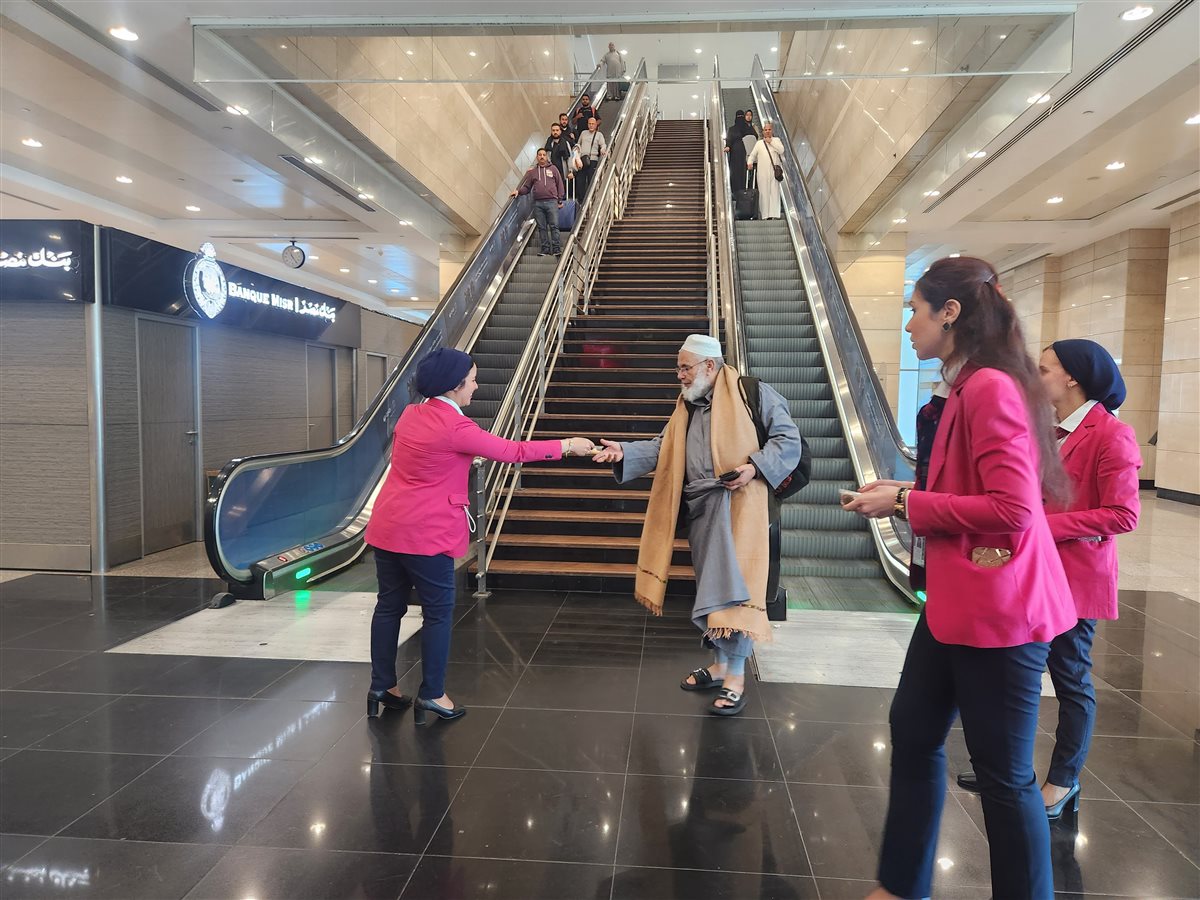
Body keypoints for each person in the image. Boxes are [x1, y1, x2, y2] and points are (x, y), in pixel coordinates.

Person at [847, 256, 1076, 900]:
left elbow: (1013, 510)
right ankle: (901, 884)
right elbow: (971, 484)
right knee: (914, 730)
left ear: (950, 313)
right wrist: (905, 489)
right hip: (957, 602)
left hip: (999, 613)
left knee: (1004, 776)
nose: (908, 324)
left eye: (915, 310)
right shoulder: (969, 383)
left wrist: (905, 503)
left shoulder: (990, 387)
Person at [956, 339, 1141, 818]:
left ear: (1073, 377)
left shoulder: (1111, 434)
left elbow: (1122, 514)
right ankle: (1006, 770)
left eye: (1043, 369)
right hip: (1029, 572)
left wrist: (1043, 526)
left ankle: (1063, 781)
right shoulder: (1044, 427)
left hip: (1075, 579)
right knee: (1013, 674)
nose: (1034, 378)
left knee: (1070, 678)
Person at [364, 347, 595, 724]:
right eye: (472, 380)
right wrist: (567, 446)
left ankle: (381, 687)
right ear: (454, 385)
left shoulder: (411, 414)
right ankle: (433, 694)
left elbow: (430, 459)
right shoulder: (456, 428)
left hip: (388, 527)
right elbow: (513, 451)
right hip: (427, 534)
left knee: (389, 606)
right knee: (438, 614)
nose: (476, 386)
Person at [592, 334, 802, 716]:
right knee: (713, 591)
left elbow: (788, 440)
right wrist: (624, 451)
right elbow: (664, 447)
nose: (680, 376)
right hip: (704, 513)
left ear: (709, 365)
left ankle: (735, 678)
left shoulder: (752, 392)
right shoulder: (687, 406)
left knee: (735, 593)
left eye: (684, 368)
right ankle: (720, 666)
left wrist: (753, 468)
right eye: (678, 368)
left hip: (744, 513)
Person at [509, 148, 565, 257]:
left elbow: (560, 184)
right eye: (540, 155)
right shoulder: (533, 172)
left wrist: (559, 199)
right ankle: (545, 249)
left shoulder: (553, 169)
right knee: (541, 227)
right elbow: (527, 187)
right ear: (537, 157)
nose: (542, 156)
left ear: (547, 157)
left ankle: (557, 249)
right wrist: (518, 191)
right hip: (538, 203)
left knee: (554, 226)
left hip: (552, 201)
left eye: (544, 155)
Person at [746, 122, 785, 219]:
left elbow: (781, 150)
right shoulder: (759, 143)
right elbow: (752, 155)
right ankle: (765, 215)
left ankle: (774, 214)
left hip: (774, 172)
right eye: (765, 130)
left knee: (774, 193)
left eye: (769, 130)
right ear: (763, 131)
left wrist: (771, 142)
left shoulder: (776, 140)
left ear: (772, 131)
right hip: (762, 173)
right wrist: (750, 163)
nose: (767, 131)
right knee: (764, 194)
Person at [575, 116, 608, 202]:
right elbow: (578, 144)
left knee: (591, 180)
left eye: (593, 124)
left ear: (596, 125)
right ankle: (581, 200)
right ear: (587, 124)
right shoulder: (583, 133)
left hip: (593, 160)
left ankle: (591, 199)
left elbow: (603, 144)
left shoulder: (599, 135)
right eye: (589, 123)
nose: (591, 125)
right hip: (582, 160)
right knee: (580, 180)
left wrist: (603, 149)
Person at [723, 109, 755, 190]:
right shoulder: (748, 128)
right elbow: (754, 137)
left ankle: (736, 190)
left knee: (736, 172)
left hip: (737, 153)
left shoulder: (732, 129)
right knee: (741, 172)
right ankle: (742, 190)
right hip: (743, 153)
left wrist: (728, 146)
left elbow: (729, 139)